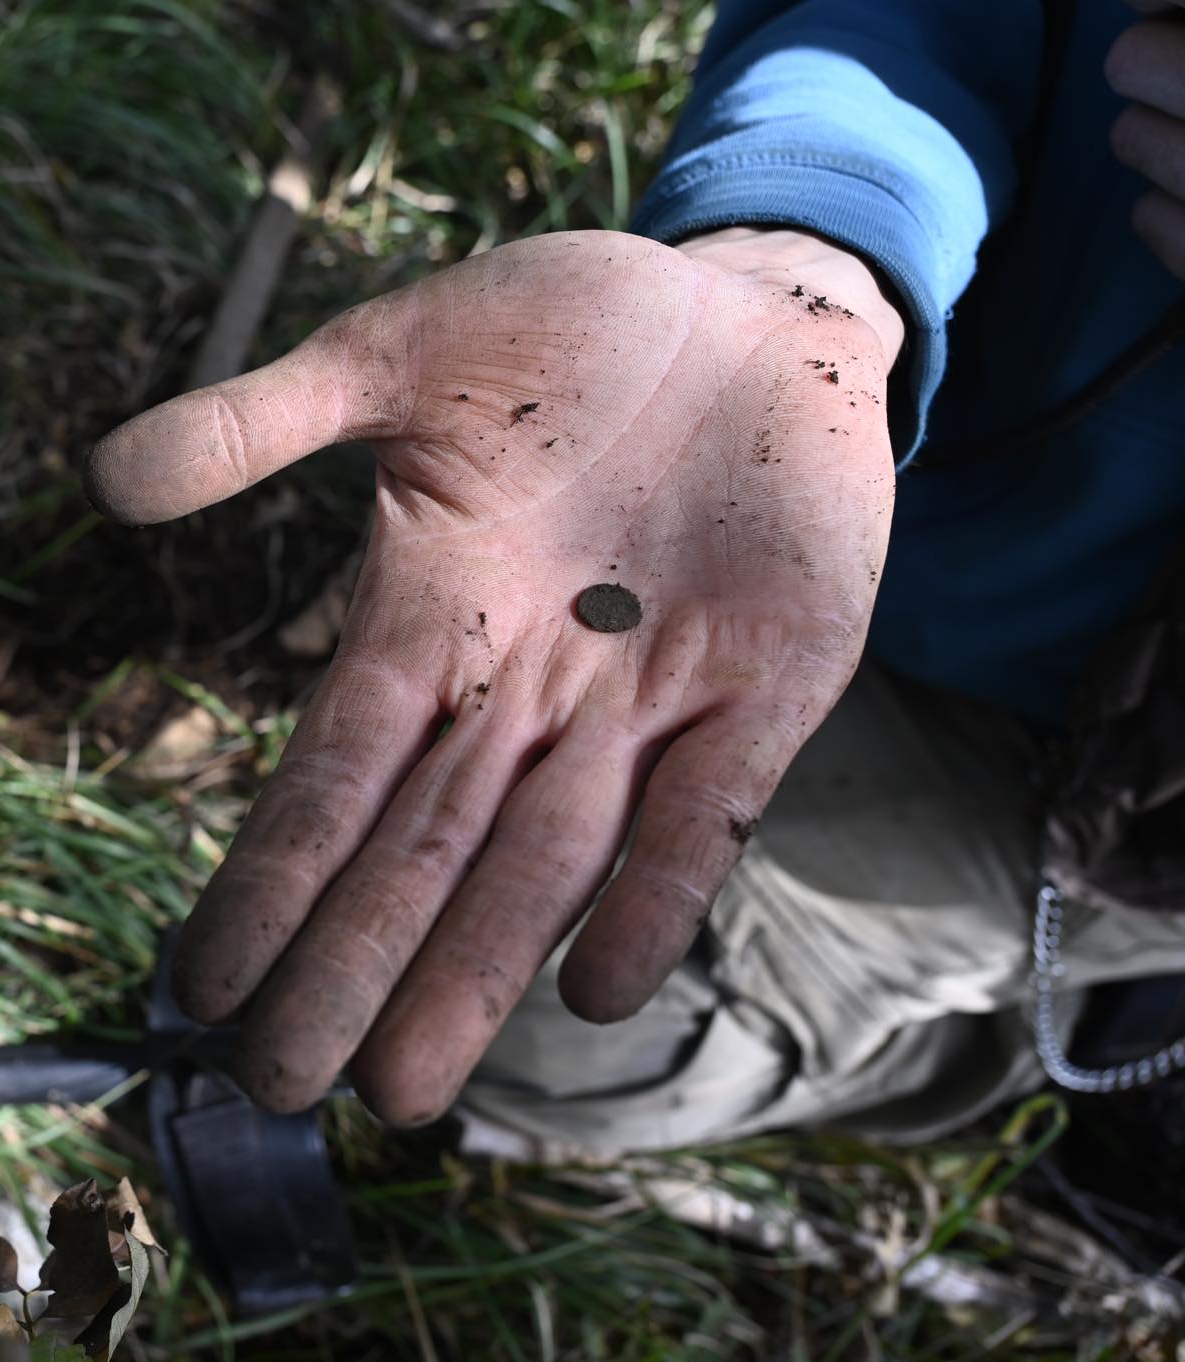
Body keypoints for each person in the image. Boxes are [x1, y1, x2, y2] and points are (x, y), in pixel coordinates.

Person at [84, 0, 1185, 1155]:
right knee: (368, 955)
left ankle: (1030, 1049)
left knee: (528, 1030)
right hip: (818, 528)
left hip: (1110, 789)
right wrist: (812, 245)